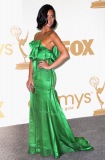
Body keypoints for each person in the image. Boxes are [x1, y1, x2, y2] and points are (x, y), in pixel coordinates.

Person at [26, 4, 94, 159]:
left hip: (45, 78)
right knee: (38, 110)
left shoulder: (52, 35)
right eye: (48, 16)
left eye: (53, 16)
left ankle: (55, 142)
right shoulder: (37, 36)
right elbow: (32, 59)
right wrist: (29, 77)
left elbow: (65, 54)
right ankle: (41, 143)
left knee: (49, 109)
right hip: (35, 77)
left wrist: (50, 66)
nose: (50, 19)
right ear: (42, 16)